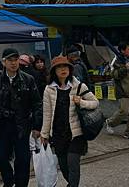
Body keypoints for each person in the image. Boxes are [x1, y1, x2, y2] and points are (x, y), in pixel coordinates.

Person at [0, 48, 42, 187]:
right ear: (4, 62)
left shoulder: (28, 79)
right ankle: (9, 181)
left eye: (16, 60)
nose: (13, 63)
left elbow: (37, 104)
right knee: (0, 156)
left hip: (22, 124)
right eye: (10, 60)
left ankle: (21, 184)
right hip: (1, 124)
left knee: (23, 159)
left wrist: (37, 126)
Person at [41, 56, 99, 187]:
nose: (63, 69)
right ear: (54, 71)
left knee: (73, 163)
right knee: (63, 166)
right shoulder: (49, 89)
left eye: (65, 66)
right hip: (58, 134)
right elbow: (47, 114)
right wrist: (44, 134)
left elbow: (95, 103)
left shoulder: (79, 86)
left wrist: (82, 102)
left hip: (76, 133)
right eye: (59, 67)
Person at [105, 42, 129, 141]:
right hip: (123, 91)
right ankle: (110, 122)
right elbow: (113, 75)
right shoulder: (116, 61)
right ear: (122, 50)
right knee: (124, 111)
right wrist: (124, 68)